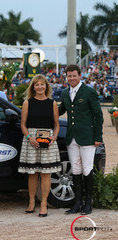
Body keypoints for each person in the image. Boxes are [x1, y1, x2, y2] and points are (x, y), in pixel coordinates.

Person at [59, 64, 103, 215]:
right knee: (76, 169)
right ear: (66, 77)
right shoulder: (65, 93)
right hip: (72, 136)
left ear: (80, 76)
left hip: (87, 137)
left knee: (87, 169)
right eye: (69, 76)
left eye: (74, 75)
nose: (71, 78)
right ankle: (77, 203)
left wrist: (98, 136)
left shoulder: (89, 92)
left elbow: (98, 115)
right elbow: (60, 110)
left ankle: (88, 204)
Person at [18, 74, 61, 217]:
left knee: (46, 173)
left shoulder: (53, 103)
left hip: (47, 140)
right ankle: (31, 202)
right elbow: (23, 125)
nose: (40, 87)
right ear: (33, 87)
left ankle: (43, 203)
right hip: (31, 139)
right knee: (33, 172)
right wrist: (29, 137)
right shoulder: (27, 103)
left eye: (42, 84)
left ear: (46, 86)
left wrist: (54, 136)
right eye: (37, 84)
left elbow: (56, 125)